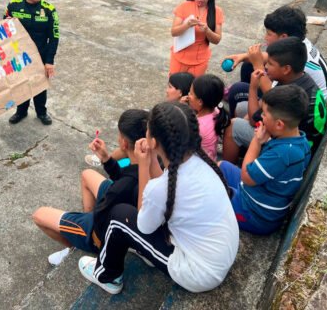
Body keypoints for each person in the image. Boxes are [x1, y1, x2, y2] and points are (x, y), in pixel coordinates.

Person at [77, 102, 239, 294]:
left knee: (120, 217)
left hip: (199, 273)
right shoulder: (200, 161)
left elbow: (143, 225)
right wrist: (152, 158)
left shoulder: (160, 189)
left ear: (153, 142)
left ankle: (108, 276)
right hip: (221, 254)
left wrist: (143, 166)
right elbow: (163, 184)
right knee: (150, 212)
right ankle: (145, 252)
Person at [32, 109, 148, 265]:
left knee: (39, 215)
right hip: (121, 204)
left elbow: (114, 197)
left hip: (99, 231)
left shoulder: (123, 187)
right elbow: (124, 181)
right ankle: (83, 223)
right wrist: (106, 159)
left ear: (124, 143)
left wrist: (83, 223)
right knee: (87, 174)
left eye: (119, 135)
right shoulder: (147, 166)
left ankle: (75, 245)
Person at [219, 85, 311, 235]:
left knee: (208, 199)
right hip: (258, 194)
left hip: (256, 214)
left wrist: (257, 140)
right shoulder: (301, 141)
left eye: (265, 114)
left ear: (279, 124)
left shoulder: (282, 154)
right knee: (221, 166)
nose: (261, 116)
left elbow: (246, 177)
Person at [222, 37, 327, 163]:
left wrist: (253, 86)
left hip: (288, 152)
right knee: (241, 109)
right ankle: (240, 148)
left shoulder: (287, 96)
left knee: (233, 126)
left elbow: (252, 120)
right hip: (300, 140)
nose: (266, 66)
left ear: (286, 69)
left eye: (270, 64)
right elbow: (262, 105)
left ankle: (225, 171)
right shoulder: (301, 79)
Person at [224, 5, 327, 117]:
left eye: (269, 34)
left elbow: (274, 94)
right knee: (247, 65)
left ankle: (233, 126)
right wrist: (243, 56)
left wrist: (258, 66)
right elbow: (269, 57)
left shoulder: (302, 62)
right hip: (296, 94)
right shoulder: (298, 45)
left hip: (296, 112)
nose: (265, 37)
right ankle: (253, 103)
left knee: (237, 90)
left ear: (283, 37)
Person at [5, 0, 59, 125]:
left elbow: (54, 37)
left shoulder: (49, 10)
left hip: (40, 55)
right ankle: (21, 112)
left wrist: (49, 61)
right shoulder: (13, 5)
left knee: (40, 86)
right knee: (21, 85)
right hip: (19, 55)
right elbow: (3, 29)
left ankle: (41, 112)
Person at [169, 0, 224, 77]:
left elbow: (217, 40)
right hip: (179, 56)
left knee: (194, 91)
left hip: (200, 61)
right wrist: (187, 25)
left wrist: (207, 30)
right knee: (175, 88)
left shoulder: (217, 11)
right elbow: (174, 32)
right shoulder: (184, 6)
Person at [188, 74, 229, 161]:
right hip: (211, 158)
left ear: (200, 102)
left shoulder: (198, 126)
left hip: (200, 164)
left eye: (191, 93)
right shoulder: (216, 111)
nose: (188, 96)